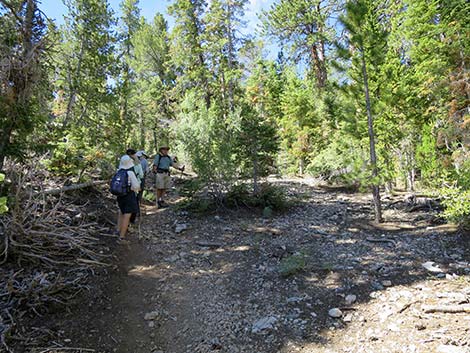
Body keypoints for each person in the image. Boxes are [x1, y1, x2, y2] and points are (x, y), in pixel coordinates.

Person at [116, 155, 140, 242]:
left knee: (121, 212)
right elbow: (136, 186)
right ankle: (122, 237)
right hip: (129, 196)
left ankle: (118, 230)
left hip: (120, 196)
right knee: (127, 215)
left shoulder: (118, 171)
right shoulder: (130, 173)